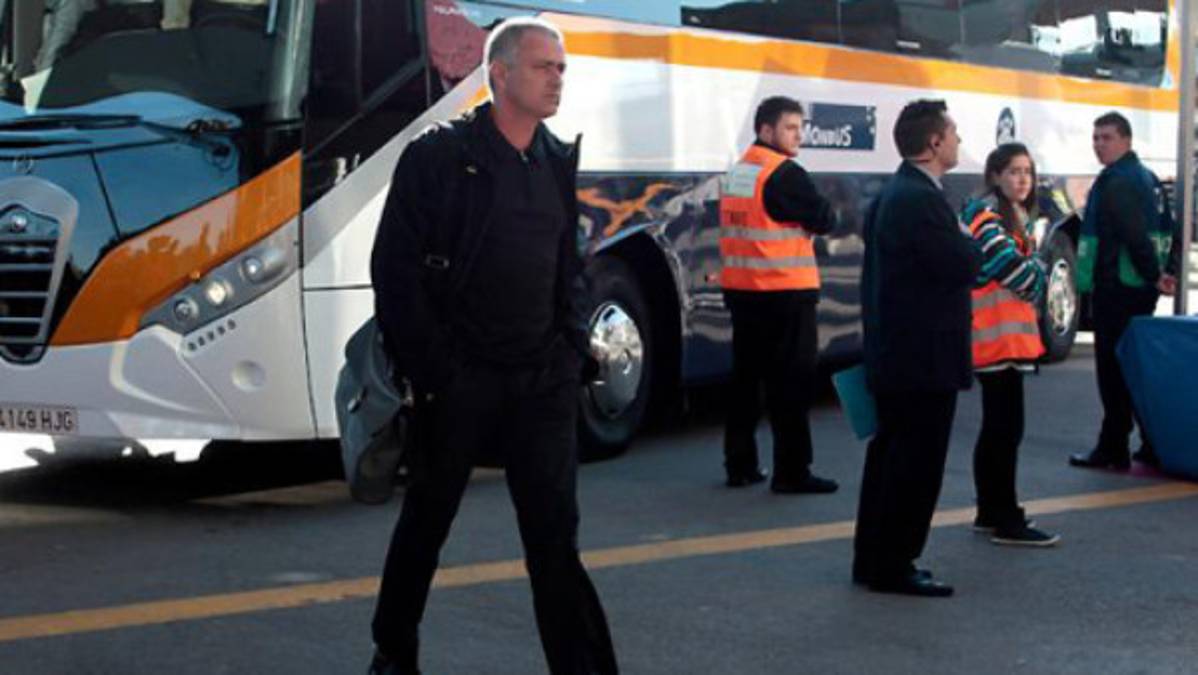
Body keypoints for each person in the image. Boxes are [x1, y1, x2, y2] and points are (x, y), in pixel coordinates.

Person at [367, 17, 617, 675]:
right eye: (544, 66)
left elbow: (568, 265)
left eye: (562, 67)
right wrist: (438, 371)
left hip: (542, 380)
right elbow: (395, 271)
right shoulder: (438, 157)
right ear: (499, 74)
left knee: (554, 539)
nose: (558, 78)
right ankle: (394, 651)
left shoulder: (555, 157)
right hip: (462, 380)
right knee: (427, 521)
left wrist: (569, 345)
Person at [852, 99, 982, 597]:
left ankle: (874, 557)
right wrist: (969, 239)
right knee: (915, 463)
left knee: (888, 457)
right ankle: (896, 562)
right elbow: (960, 265)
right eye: (953, 134)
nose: (957, 142)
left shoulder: (894, 193)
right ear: (933, 143)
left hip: (897, 352)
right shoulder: (922, 201)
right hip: (923, 357)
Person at [718, 96, 839, 494]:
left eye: (800, 127)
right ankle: (792, 471)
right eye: (790, 128)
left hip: (743, 291)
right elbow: (824, 219)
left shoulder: (738, 172)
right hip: (785, 292)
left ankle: (740, 464)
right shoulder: (785, 173)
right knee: (791, 385)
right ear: (766, 131)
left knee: (745, 381)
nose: (798, 135)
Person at [1069, 111, 1180, 471]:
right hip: (1138, 288)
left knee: (1113, 370)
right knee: (1135, 366)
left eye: (1107, 137)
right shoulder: (1147, 178)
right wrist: (1166, 271)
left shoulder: (1117, 182)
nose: (1099, 144)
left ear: (1127, 141)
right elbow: (1171, 228)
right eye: (1096, 137)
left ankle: (1113, 446)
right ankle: (1151, 443)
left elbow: (1133, 235)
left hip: (1118, 286)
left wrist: (1154, 274)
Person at [962, 143, 1059, 547]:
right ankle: (1005, 517)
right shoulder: (987, 218)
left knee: (999, 428)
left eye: (1028, 172)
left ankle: (991, 509)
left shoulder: (1014, 217)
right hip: (994, 340)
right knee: (1004, 430)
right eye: (1014, 171)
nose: (1023, 180)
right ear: (996, 175)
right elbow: (1014, 272)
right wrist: (1041, 273)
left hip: (1007, 340)